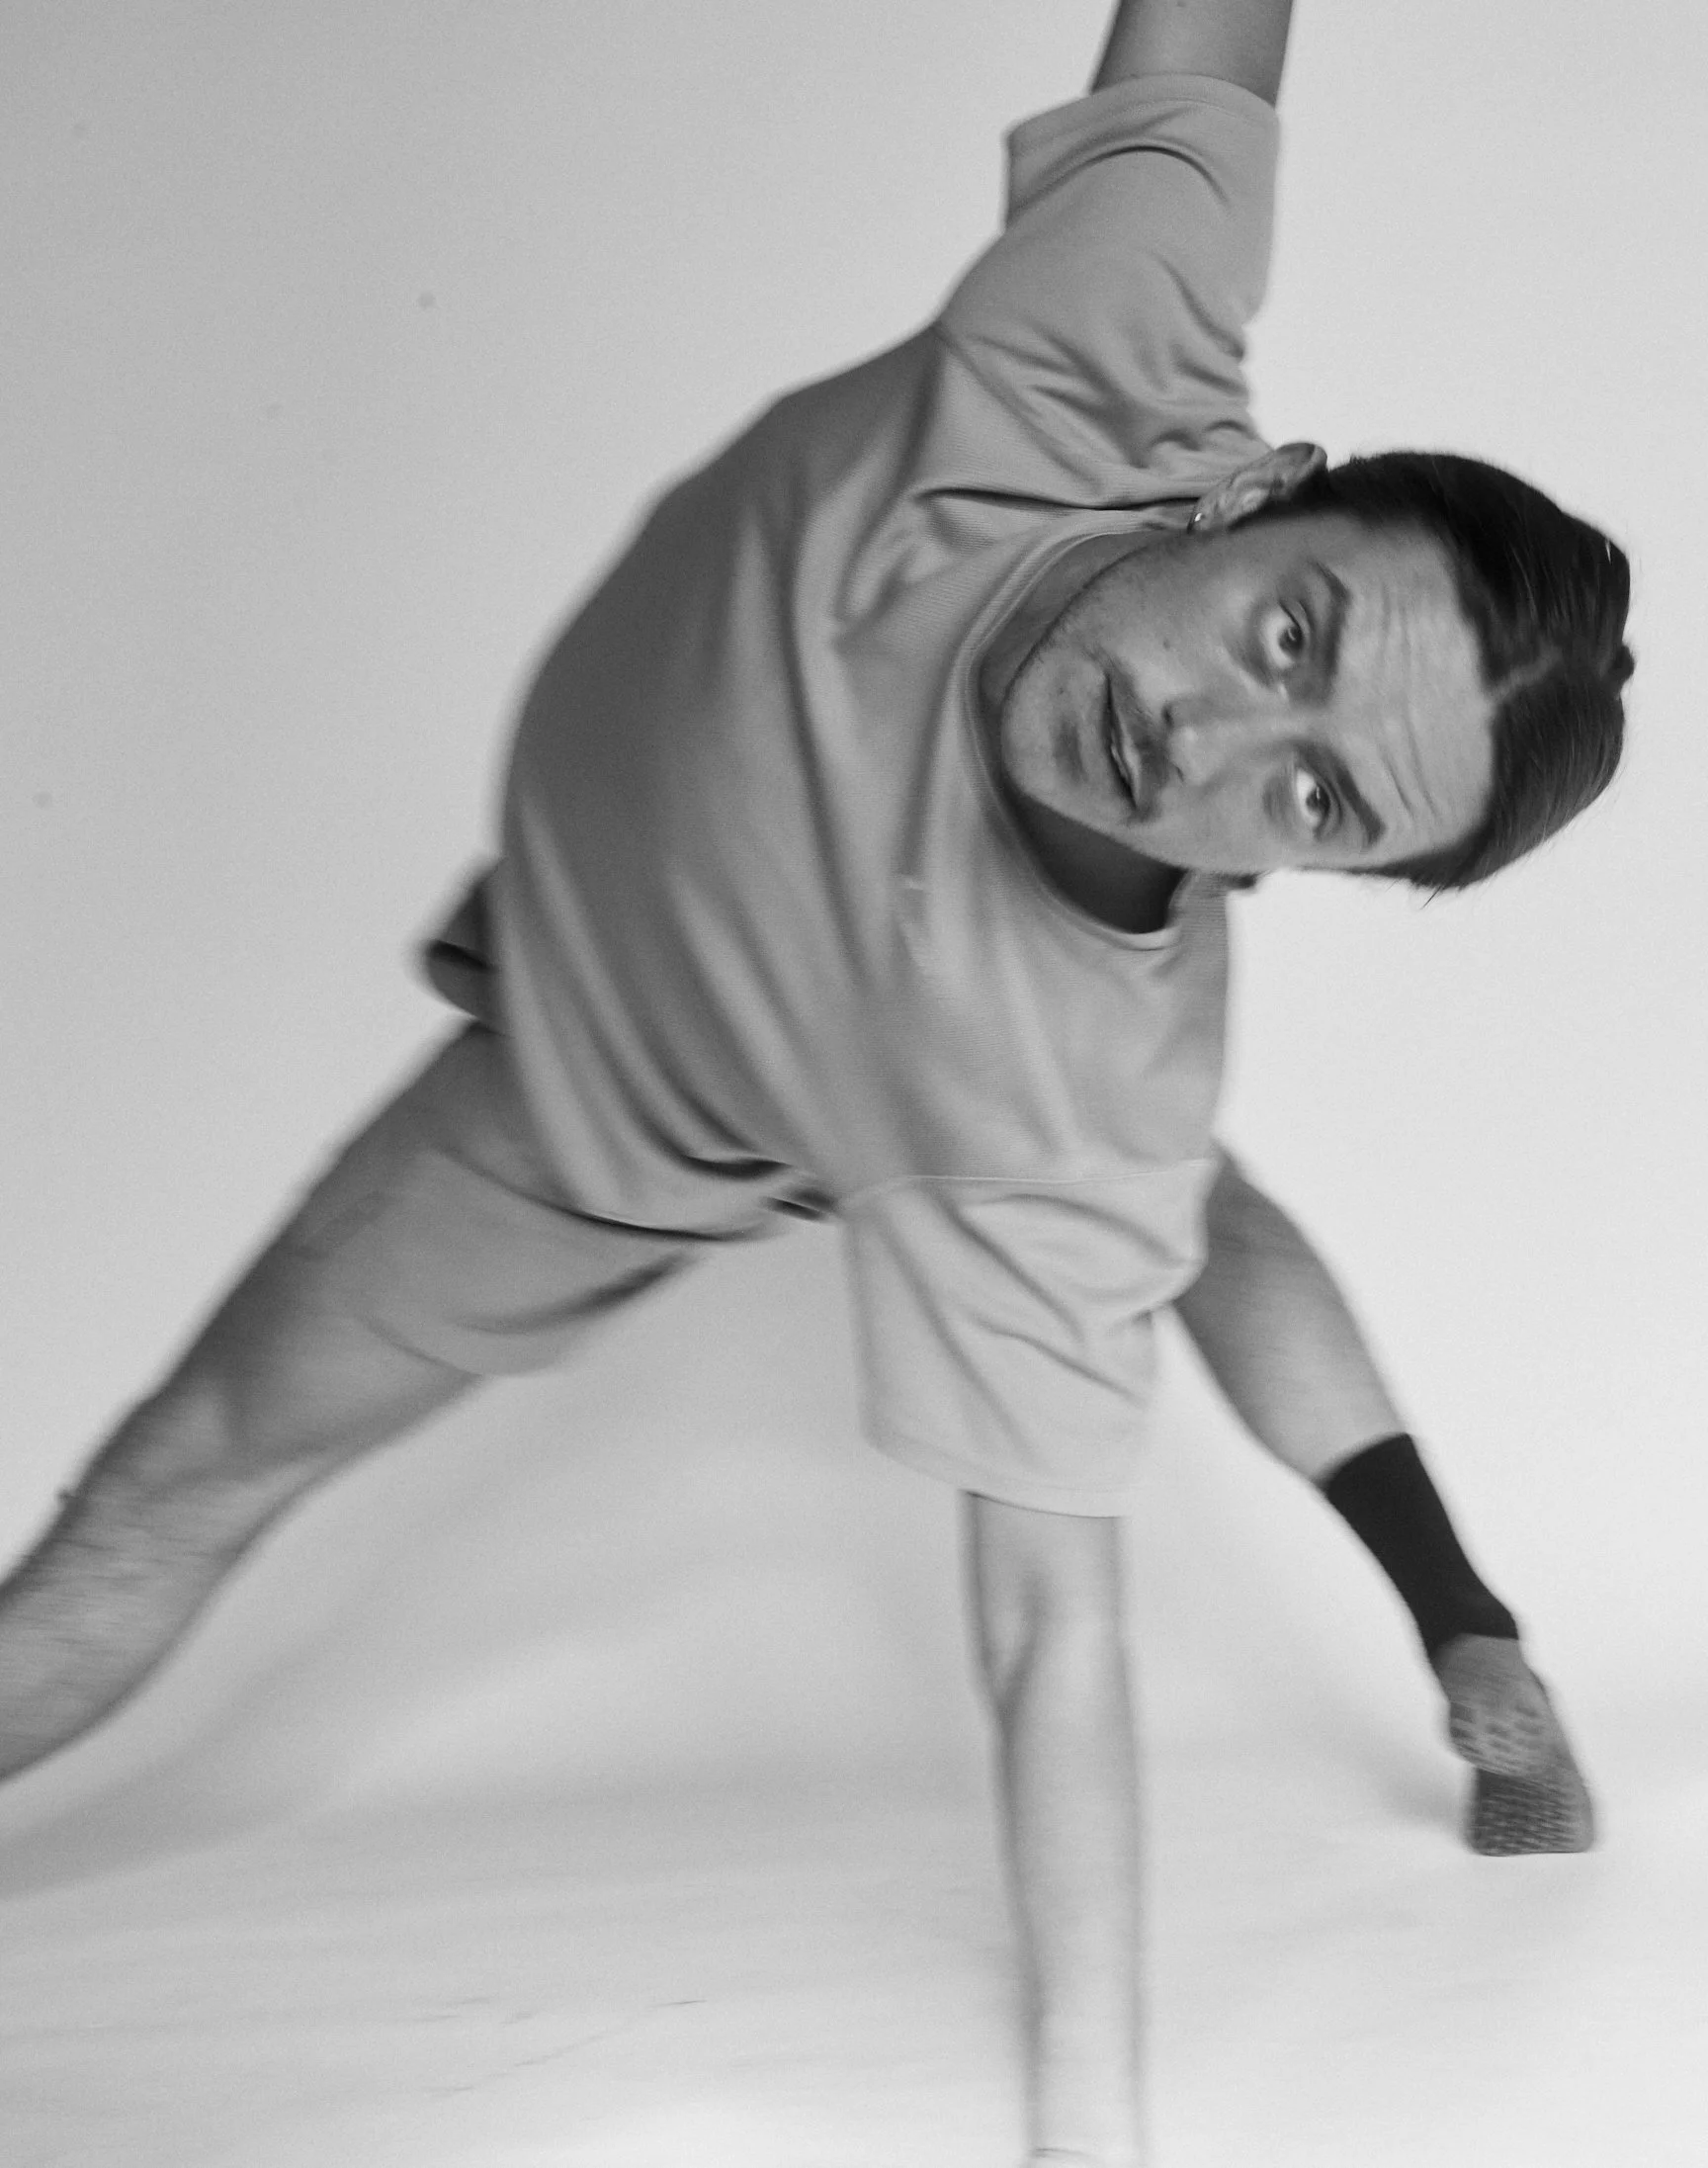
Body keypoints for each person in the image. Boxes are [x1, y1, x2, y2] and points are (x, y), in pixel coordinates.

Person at [0, 2, 1632, 2162]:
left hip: (670, 1115)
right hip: (636, 996)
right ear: (1251, 489)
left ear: (1312, 874)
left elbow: (1053, 1640)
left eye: (1315, 801)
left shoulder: (1053, 1103)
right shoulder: (1096, 339)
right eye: (1288, 638)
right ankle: (1473, 1627)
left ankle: (1477, 1640)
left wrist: (1092, 2136)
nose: (1212, 752)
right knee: (1171, 1203)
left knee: (1134, 1185)